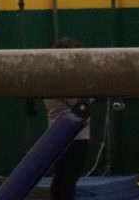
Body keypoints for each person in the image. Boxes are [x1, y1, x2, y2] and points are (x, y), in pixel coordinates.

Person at [43, 37, 92, 200]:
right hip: (74, 135)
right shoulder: (65, 79)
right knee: (68, 180)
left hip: (57, 136)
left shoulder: (50, 76)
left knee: (61, 179)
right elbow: (80, 104)